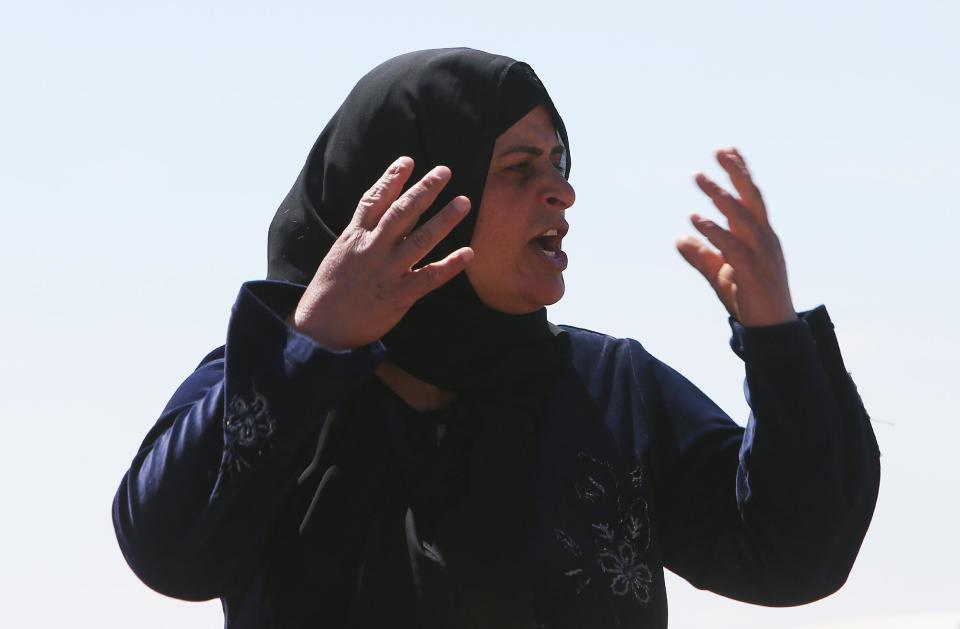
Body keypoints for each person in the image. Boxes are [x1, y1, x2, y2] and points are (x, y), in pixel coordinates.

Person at [112, 48, 881, 629]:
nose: (562, 190)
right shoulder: (282, 389)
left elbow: (794, 550)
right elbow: (169, 551)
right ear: (416, 200)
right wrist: (315, 345)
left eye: (558, 161)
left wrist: (776, 340)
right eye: (518, 166)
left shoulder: (612, 390)